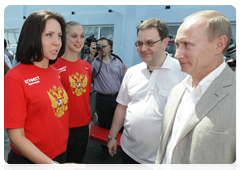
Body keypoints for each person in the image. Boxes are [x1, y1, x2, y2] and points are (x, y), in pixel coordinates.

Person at [154, 10, 237, 170]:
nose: (177, 55)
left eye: (187, 45)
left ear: (219, 44)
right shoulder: (177, 90)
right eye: (177, 45)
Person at [4, 10, 86, 170]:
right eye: (49, 35)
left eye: (59, 36)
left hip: (60, 155)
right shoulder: (15, 77)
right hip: (31, 162)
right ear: (32, 37)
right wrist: (54, 166)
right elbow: (16, 137)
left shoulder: (54, 71)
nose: (57, 42)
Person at [107, 18, 187, 170]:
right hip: (129, 152)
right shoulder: (132, 72)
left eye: (150, 43)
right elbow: (122, 106)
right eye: (139, 43)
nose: (143, 48)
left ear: (164, 43)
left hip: (161, 159)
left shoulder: (183, 73)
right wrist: (112, 137)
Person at [53, 21, 91, 164]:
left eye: (81, 36)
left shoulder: (87, 66)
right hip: (62, 126)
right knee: (61, 164)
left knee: (77, 163)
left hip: (83, 126)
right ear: (64, 38)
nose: (79, 40)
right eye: (74, 36)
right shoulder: (54, 67)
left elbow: (85, 96)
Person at [86, 37, 125, 159]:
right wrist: (91, 56)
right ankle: (104, 148)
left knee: (121, 123)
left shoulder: (117, 62)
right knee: (104, 124)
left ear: (110, 47)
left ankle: (121, 146)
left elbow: (123, 80)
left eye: (104, 46)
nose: (101, 49)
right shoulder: (93, 62)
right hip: (102, 99)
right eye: (99, 46)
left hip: (118, 98)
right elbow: (85, 73)